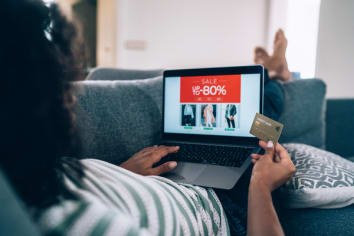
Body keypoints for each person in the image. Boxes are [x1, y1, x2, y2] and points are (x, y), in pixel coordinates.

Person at [0, 1, 295, 236]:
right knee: (260, 118)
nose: (70, 97)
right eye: (60, 85)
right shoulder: (77, 223)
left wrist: (121, 173)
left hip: (158, 171)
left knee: (252, 114)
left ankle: (269, 73)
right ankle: (278, 75)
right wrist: (260, 186)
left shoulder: (23, 171)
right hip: (222, 205)